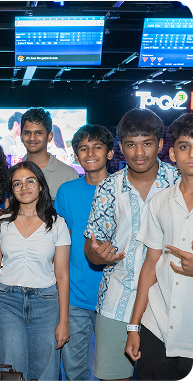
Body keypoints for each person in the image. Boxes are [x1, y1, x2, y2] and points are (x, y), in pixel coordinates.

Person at [84, 108, 180, 381]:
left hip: (168, 304)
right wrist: (98, 254)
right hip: (117, 301)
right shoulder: (107, 187)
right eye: (131, 144)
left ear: (161, 145)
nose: (139, 152)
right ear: (121, 148)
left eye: (147, 143)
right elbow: (92, 246)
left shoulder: (178, 182)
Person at [0, 161, 71, 381]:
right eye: (17, 183)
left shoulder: (57, 224)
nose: (24, 187)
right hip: (6, 302)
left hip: (46, 303)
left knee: (45, 371)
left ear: (41, 185)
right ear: (12, 190)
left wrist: (64, 321)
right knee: (11, 369)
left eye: (30, 181)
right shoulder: (1, 223)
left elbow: (62, 275)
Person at [125, 112, 193, 381]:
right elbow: (150, 265)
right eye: (185, 146)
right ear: (173, 154)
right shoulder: (160, 202)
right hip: (157, 325)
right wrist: (134, 325)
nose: (191, 154)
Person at [54, 124, 114, 381]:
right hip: (75, 295)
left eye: (97, 147)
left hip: (114, 297)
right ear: (76, 156)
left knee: (109, 372)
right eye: (83, 148)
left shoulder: (123, 190)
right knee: (74, 371)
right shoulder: (67, 191)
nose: (90, 153)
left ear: (110, 153)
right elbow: (58, 242)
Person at [21, 107, 78, 202]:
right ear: (21, 136)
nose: (32, 138)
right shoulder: (13, 173)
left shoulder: (69, 175)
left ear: (49, 136)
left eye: (38, 133)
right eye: (27, 133)